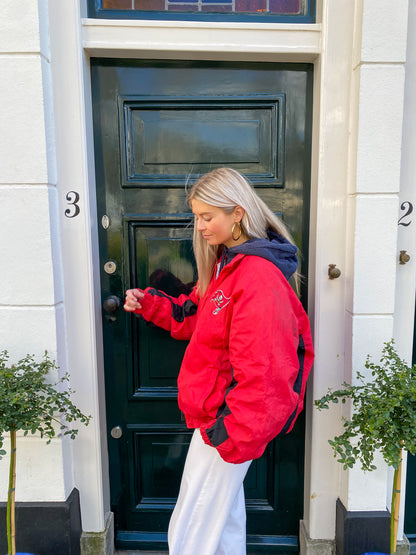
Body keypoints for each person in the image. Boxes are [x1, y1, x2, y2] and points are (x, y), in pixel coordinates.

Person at [124, 167, 314, 555]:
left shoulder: (256, 275)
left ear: (238, 213)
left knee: (192, 527)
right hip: (220, 419)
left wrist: (232, 434)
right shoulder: (229, 267)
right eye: (197, 216)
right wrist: (150, 304)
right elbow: (195, 316)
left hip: (227, 423)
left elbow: (268, 367)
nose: (199, 227)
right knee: (222, 520)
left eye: (207, 216)